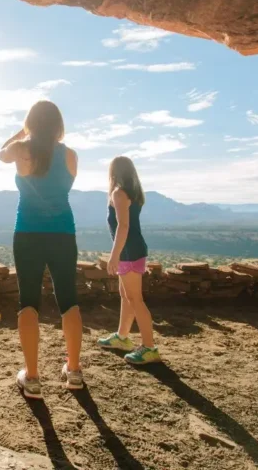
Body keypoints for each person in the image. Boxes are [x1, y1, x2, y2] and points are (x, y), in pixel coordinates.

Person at [0, 100, 84, 399]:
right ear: (58, 124)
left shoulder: (22, 149)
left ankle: (32, 377)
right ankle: (73, 371)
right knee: (68, 299)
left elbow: (0, 154)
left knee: (28, 301)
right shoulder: (71, 155)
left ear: (30, 123)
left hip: (28, 233)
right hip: (63, 233)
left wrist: (20, 133)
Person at [97, 156, 162, 365]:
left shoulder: (118, 193)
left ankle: (149, 348)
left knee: (136, 299)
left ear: (114, 172)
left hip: (128, 252)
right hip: (134, 249)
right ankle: (122, 337)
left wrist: (114, 256)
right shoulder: (133, 193)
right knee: (126, 296)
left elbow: (122, 227)